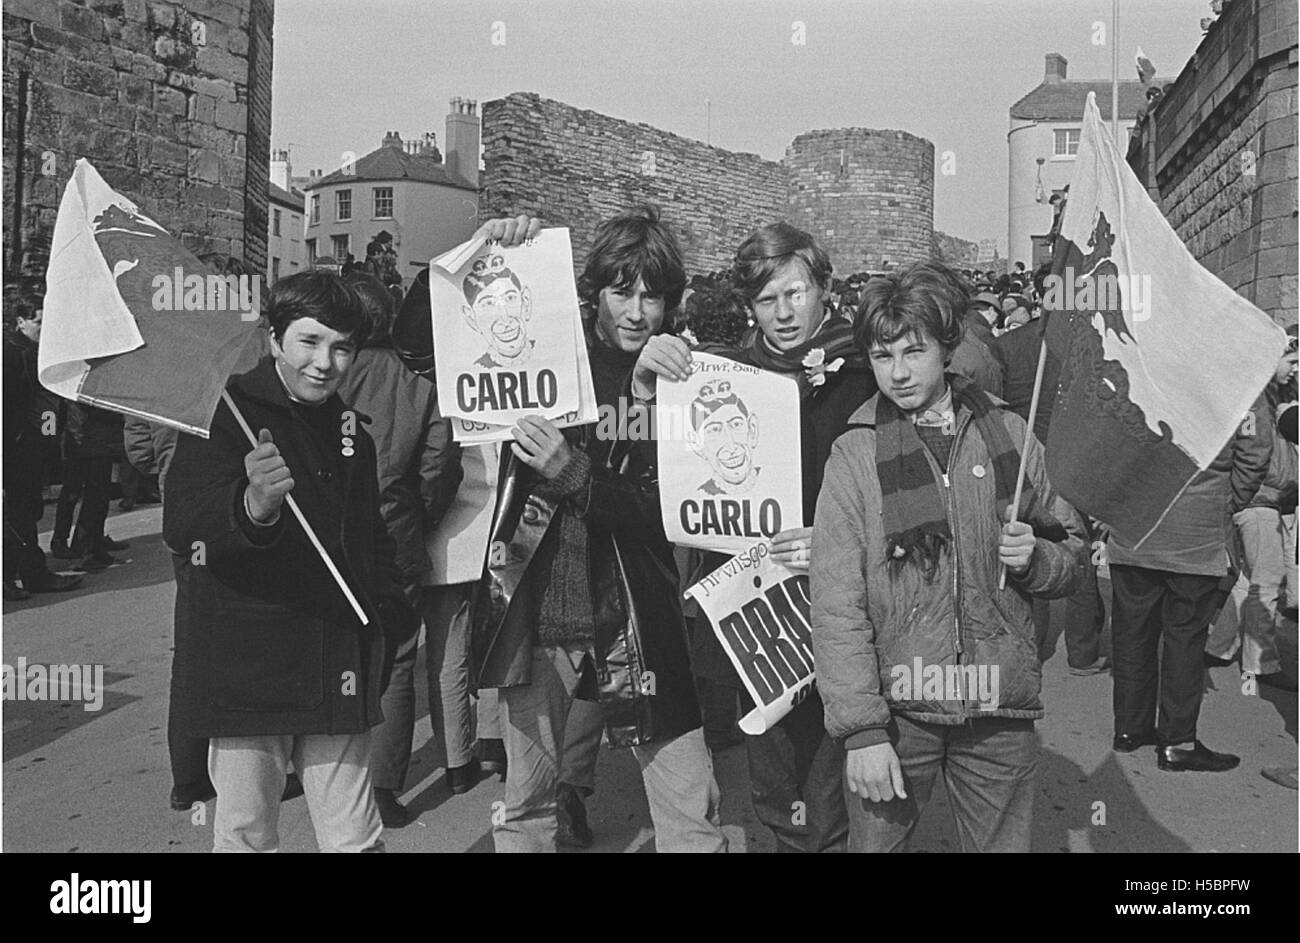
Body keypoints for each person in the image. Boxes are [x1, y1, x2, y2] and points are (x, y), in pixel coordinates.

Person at [394, 208, 727, 853]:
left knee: (689, 809)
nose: (635, 312)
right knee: (526, 804)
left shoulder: (682, 377)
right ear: (592, 292)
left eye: (651, 296)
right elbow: (414, 345)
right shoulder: (544, 348)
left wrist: (582, 460)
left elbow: (665, 511)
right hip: (538, 609)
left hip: (638, 615)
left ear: (671, 302)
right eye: (620, 291)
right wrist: (477, 250)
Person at [810, 259, 1085, 853]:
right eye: (883, 358)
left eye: (915, 351)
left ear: (947, 347)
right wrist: (860, 731)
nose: (900, 373)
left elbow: (1073, 553)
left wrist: (1038, 557)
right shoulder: (855, 454)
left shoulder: (1010, 433)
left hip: (998, 711)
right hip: (897, 713)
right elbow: (835, 600)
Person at [634, 221, 876, 853]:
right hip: (760, 612)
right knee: (774, 777)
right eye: (767, 300)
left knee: (843, 775)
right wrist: (646, 376)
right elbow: (662, 466)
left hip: (848, 605)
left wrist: (834, 535)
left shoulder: (865, 374)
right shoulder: (725, 375)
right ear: (750, 308)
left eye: (796, 293)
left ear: (824, 288)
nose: (785, 312)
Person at [164, 270, 416, 852]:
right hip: (250, 667)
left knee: (355, 835)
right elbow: (183, 526)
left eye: (342, 347)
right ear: (276, 339)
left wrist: (389, 609)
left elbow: (371, 538)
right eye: (309, 341)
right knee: (248, 832)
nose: (325, 362)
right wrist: (252, 506)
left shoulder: (354, 431)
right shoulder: (224, 412)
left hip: (336, 659)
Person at [336, 272, 463, 828]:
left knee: (329, 653)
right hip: (396, 537)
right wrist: (416, 516)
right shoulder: (420, 383)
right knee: (396, 661)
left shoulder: (323, 374)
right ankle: (385, 786)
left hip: (328, 537)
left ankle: (319, 772)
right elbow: (440, 466)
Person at [1107, 392, 1272, 772]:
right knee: (1184, 640)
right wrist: (1225, 502)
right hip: (1195, 534)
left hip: (1135, 524)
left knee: (1133, 633)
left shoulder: (1146, 353)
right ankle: (1177, 741)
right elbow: (1256, 450)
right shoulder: (1241, 367)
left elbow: (1110, 435)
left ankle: (1130, 729)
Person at [1205, 338, 1298, 691]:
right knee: (1267, 582)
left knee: (1249, 580)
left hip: (1259, 499)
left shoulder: (1264, 398)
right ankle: (1261, 663)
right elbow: (1251, 455)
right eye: (1292, 360)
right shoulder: (1259, 401)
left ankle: (1218, 646)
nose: (1295, 369)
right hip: (1260, 501)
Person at [2, 289, 83, 597]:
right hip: (16, 451)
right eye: (38, 320)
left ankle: (26, 574)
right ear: (21, 322)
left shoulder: (34, 351)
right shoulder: (10, 355)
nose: (44, 325)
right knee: (17, 516)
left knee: (27, 513)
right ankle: (19, 577)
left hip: (32, 449)